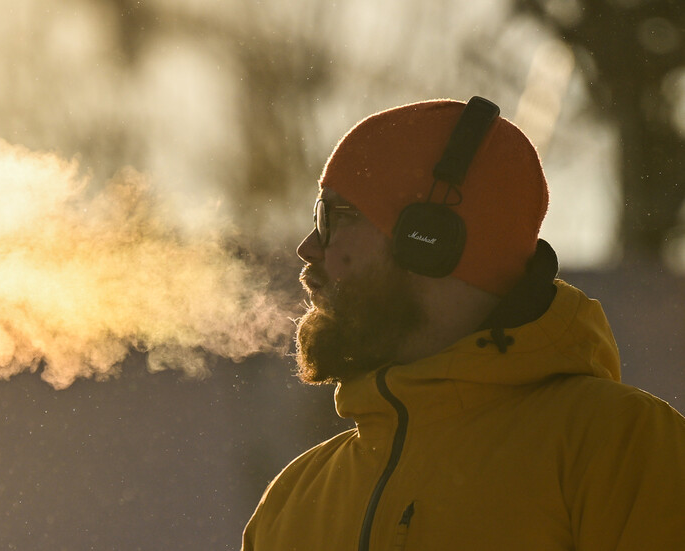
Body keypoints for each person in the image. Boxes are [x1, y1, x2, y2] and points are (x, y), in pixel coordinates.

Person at [241, 98, 685, 550]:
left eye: (332, 218)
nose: (308, 247)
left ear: (426, 240)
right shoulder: (290, 504)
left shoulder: (618, 445)